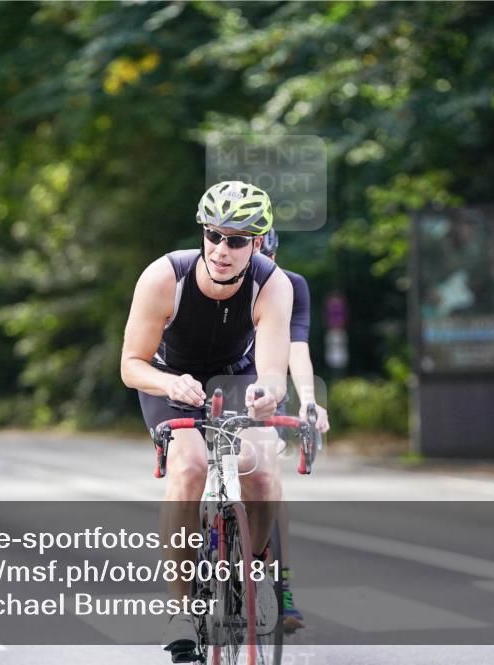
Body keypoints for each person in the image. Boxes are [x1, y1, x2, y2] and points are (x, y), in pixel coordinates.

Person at [120, 181, 293, 660]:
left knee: (261, 472)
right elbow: (131, 364)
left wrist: (266, 394)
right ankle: (180, 607)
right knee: (191, 468)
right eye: (213, 235)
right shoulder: (164, 277)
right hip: (171, 380)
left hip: (237, 377)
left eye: (236, 241)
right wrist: (169, 384)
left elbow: (273, 370)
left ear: (256, 244)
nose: (221, 250)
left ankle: (251, 570)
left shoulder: (272, 284)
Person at [258, 228, 330, 632]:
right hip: (217, 379)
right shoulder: (216, 280)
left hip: (264, 388)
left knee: (269, 479)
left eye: (267, 261)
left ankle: (280, 584)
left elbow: (296, 347)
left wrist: (308, 401)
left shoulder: (289, 286)